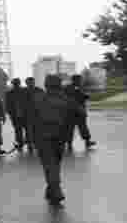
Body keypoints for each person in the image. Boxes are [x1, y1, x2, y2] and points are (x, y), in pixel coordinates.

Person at [30, 75, 81, 206]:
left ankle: (55, 189)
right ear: (59, 85)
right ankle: (52, 189)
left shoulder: (38, 99)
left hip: (43, 138)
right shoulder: (66, 100)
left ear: (46, 85)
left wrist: (31, 137)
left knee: (49, 165)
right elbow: (81, 113)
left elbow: (30, 119)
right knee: (55, 164)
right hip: (60, 138)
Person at [65, 74, 96, 152]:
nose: (80, 81)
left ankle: (87, 141)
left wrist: (86, 96)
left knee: (83, 127)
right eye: (79, 80)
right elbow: (72, 97)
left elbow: (83, 96)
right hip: (71, 112)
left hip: (80, 111)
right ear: (74, 80)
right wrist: (84, 96)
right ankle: (69, 144)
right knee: (69, 129)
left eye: (80, 80)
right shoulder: (68, 88)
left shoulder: (80, 87)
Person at [4, 78, 29, 152]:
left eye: (17, 83)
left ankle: (26, 143)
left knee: (24, 129)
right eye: (15, 83)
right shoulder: (9, 93)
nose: (16, 85)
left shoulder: (24, 91)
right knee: (19, 130)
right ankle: (21, 143)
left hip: (24, 114)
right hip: (15, 114)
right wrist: (10, 113)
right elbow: (8, 104)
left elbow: (29, 102)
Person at [21, 77, 41, 154]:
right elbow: (20, 103)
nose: (31, 84)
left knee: (37, 130)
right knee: (28, 130)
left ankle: (36, 144)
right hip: (27, 114)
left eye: (32, 82)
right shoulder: (23, 91)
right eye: (29, 82)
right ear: (26, 83)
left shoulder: (38, 90)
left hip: (38, 114)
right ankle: (30, 144)